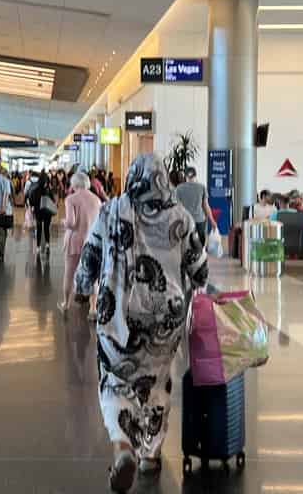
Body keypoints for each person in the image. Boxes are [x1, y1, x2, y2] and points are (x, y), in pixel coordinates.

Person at [73, 154, 208, 490]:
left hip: (118, 315)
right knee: (157, 382)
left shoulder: (112, 210)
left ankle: (123, 446)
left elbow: (90, 255)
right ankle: (150, 453)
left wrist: (81, 290)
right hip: (165, 320)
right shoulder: (180, 215)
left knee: (115, 381)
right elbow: (200, 269)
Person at [60, 172, 102, 317]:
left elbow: (71, 223)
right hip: (92, 242)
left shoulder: (70, 199)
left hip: (75, 241)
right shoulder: (96, 200)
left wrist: (64, 222)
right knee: (93, 275)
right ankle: (93, 308)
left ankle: (66, 304)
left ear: (74, 184)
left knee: (69, 273)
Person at [173, 166, 217, 245]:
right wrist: (212, 221)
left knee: (185, 243)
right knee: (201, 243)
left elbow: (177, 207)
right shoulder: (202, 187)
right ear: (195, 175)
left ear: (185, 176)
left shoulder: (179, 188)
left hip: (186, 221)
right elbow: (206, 206)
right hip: (200, 220)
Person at [28, 172, 56, 255]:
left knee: (39, 228)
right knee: (46, 228)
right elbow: (53, 200)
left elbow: (31, 201)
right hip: (47, 212)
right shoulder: (48, 190)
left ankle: (38, 247)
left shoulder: (35, 190)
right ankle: (47, 244)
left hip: (38, 212)